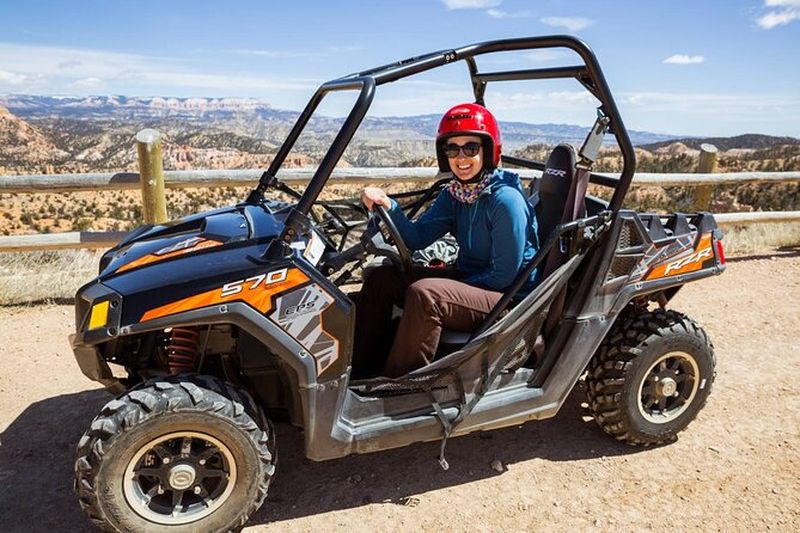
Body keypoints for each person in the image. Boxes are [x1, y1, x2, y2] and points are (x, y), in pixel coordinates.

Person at [353, 102, 539, 378]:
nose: (460, 157)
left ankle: (400, 387)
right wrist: (388, 204)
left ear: (488, 151)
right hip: (473, 281)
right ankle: (360, 370)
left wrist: (449, 285)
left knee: (426, 294)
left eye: (471, 148)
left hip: (508, 298)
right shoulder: (457, 194)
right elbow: (417, 238)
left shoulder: (505, 200)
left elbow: (503, 275)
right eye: (452, 149)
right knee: (382, 279)